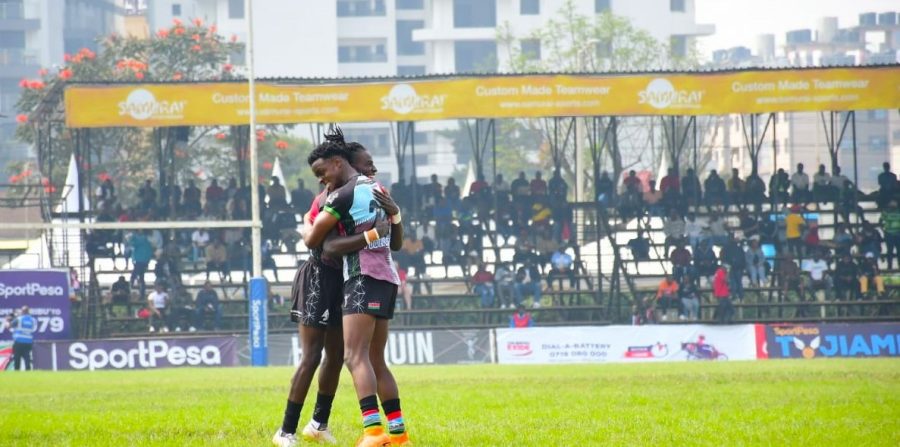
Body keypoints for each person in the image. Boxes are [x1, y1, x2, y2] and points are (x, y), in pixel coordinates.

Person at [274, 137, 400, 447]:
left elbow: (392, 239)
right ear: (347, 164)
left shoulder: (367, 192)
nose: (371, 167)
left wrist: (393, 219)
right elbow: (316, 238)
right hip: (320, 278)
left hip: (344, 279)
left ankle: (318, 423)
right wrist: (308, 224)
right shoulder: (333, 196)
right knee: (313, 356)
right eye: (365, 163)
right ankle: (285, 432)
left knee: (336, 357)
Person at [7, 306, 36, 371]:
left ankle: (17, 371)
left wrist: (7, 321)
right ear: (28, 312)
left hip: (18, 341)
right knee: (27, 357)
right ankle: (28, 372)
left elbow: (9, 326)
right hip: (28, 342)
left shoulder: (19, 319)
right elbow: (34, 329)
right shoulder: (33, 320)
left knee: (17, 357)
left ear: (22, 312)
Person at [881, 201, 900, 269]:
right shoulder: (885, 212)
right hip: (889, 234)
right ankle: (889, 266)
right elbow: (881, 221)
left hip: (898, 233)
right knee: (890, 251)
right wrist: (884, 230)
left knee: (899, 250)